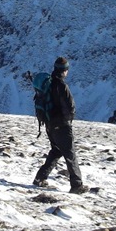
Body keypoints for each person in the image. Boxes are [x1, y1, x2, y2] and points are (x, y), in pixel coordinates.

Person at [33, 57, 89, 194]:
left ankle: (40, 178)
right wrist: (68, 121)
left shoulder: (48, 84)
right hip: (61, 125)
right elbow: (70, 107)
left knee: (57, 150)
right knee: (70, 154)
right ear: (64, 70)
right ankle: (77, 185)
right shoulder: (61, 86)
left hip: (48, 124)